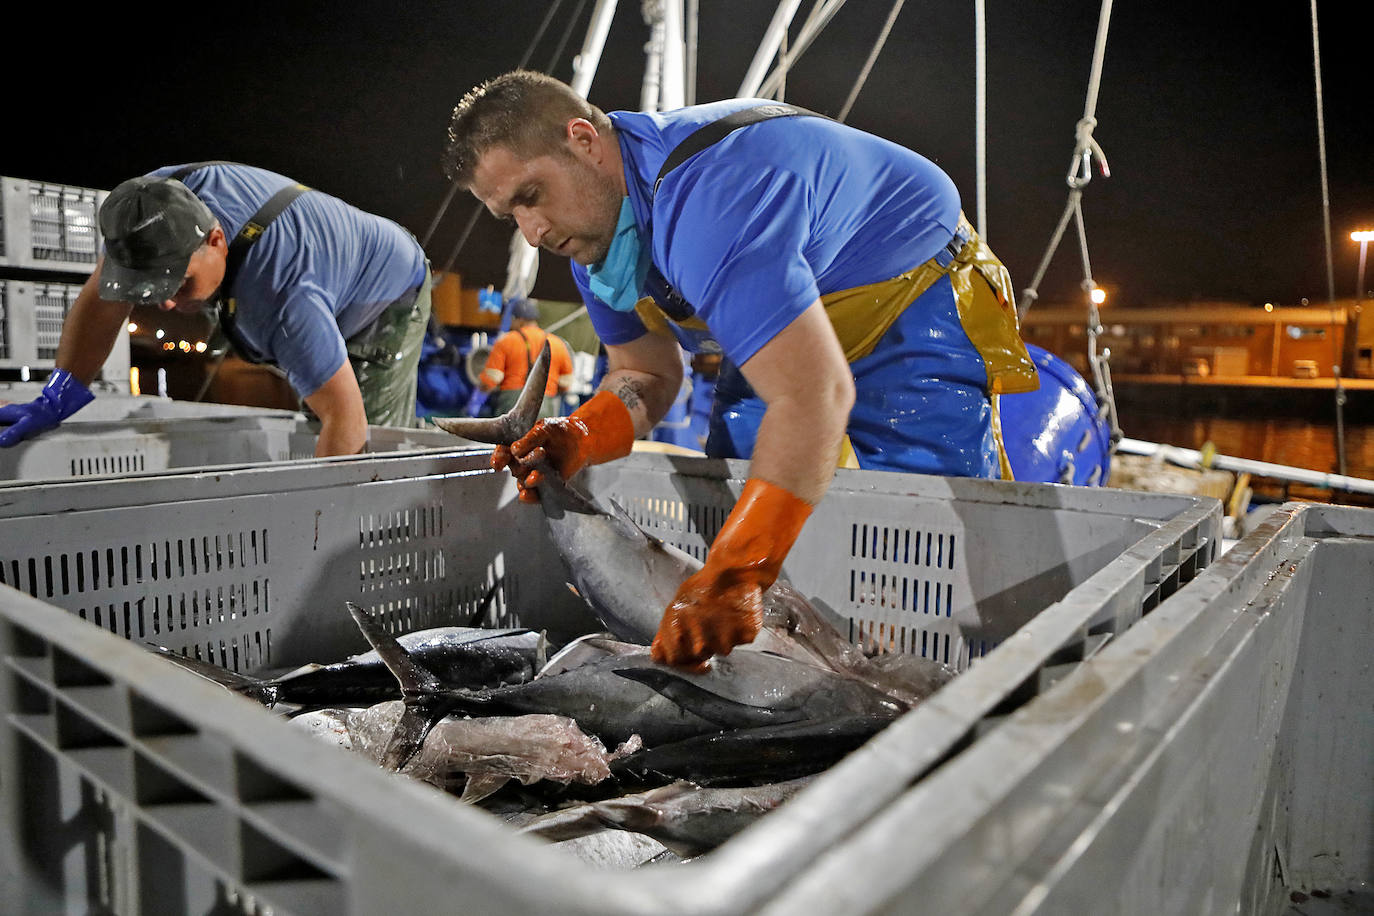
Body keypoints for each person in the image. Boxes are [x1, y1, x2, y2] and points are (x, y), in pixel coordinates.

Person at [442, 70, 1039, 670]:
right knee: (741, 502)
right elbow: (647, 375)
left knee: (927, 541)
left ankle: (955, 694)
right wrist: (581, 433)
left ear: (583, 139)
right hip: (788, 343)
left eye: (530, 195)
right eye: (509, 216)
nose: (533, 232)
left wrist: (736, 576)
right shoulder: (598, 245)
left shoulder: (711, 197)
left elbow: (812, 397)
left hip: (911, 296)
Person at [0, 162, 431, 457]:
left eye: (178, 283)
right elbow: (102, 302)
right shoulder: (141, 210)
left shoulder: (283, 294)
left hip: (386, 293)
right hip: (299, 278)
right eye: (149, 288)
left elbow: (346, 418)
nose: (166, 302)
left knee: (373, 440)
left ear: (216, 241)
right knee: (317, 405)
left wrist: (315, 529)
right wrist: (55, 399)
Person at [477, 298, 575, 418]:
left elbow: (491, 380)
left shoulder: (506, 341)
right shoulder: (557, 344)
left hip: (511, 406)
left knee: (511, 436)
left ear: (519, 320)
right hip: (544, 407)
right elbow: (566, 383)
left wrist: (481, 390)